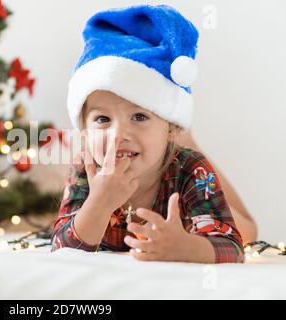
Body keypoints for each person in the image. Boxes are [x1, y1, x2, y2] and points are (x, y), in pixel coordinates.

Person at [51, 4, 249, 263]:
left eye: (139, 116)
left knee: (249, 230)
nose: (118, 134)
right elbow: (61, 249)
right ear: (85, 131)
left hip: (181, 170)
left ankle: (181, 134)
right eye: (102, 119)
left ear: (169, 126)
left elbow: (232, 247)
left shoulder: (189, 168)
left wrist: (186, 247)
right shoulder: (86, 167)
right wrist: (97, 203)